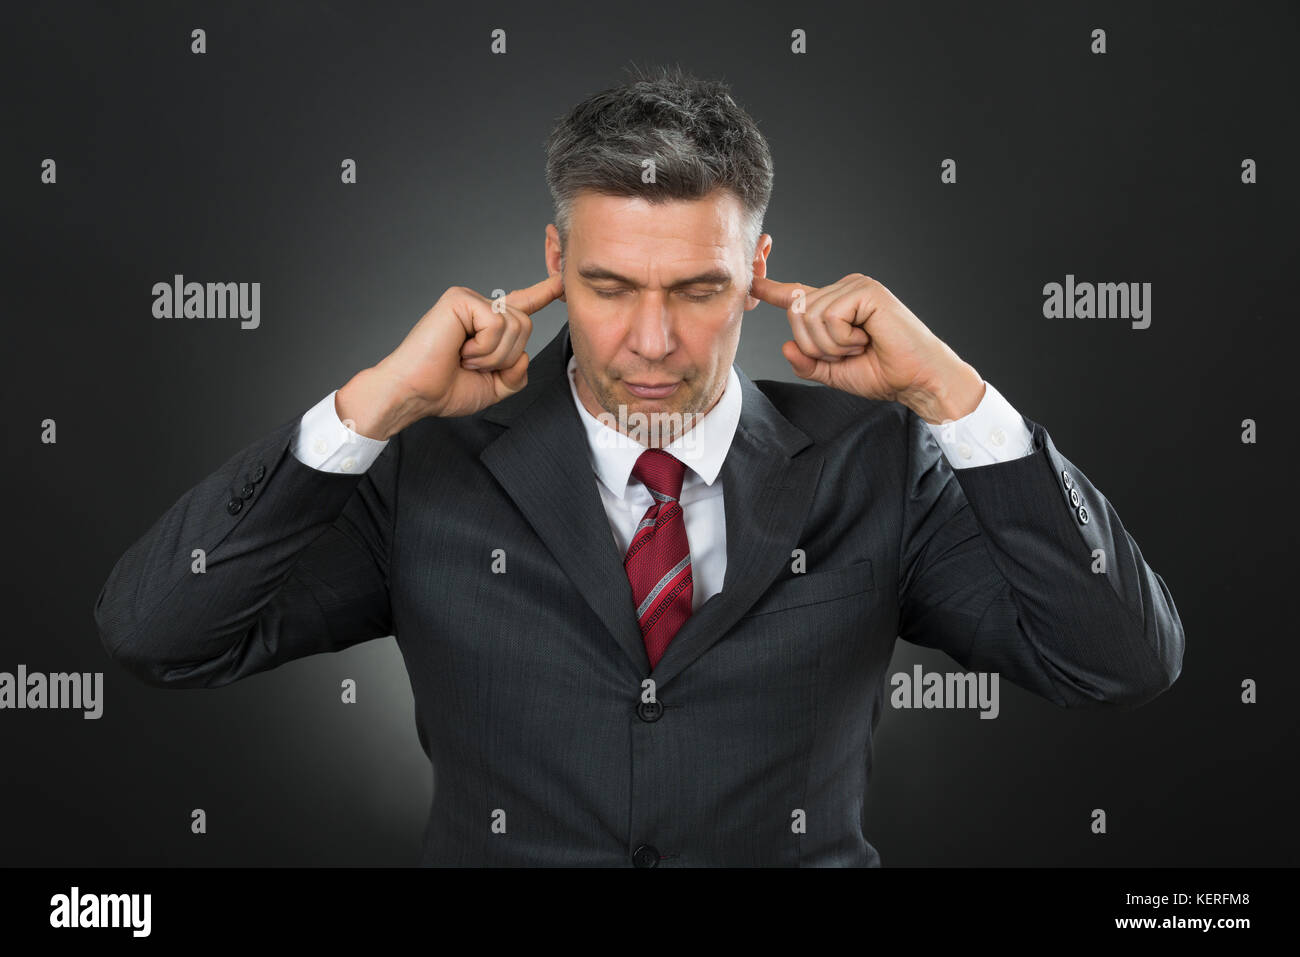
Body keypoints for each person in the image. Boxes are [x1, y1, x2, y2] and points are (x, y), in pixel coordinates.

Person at [94, 64, 1184, 867]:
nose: (652, 342)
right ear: (554, 263)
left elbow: (1118, 661)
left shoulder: (880, 462)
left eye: (698, 290)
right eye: (611, 287)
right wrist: (371, 405)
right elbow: (159, 636)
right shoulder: (424, 462)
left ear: (757, 271)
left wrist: (952, 393)